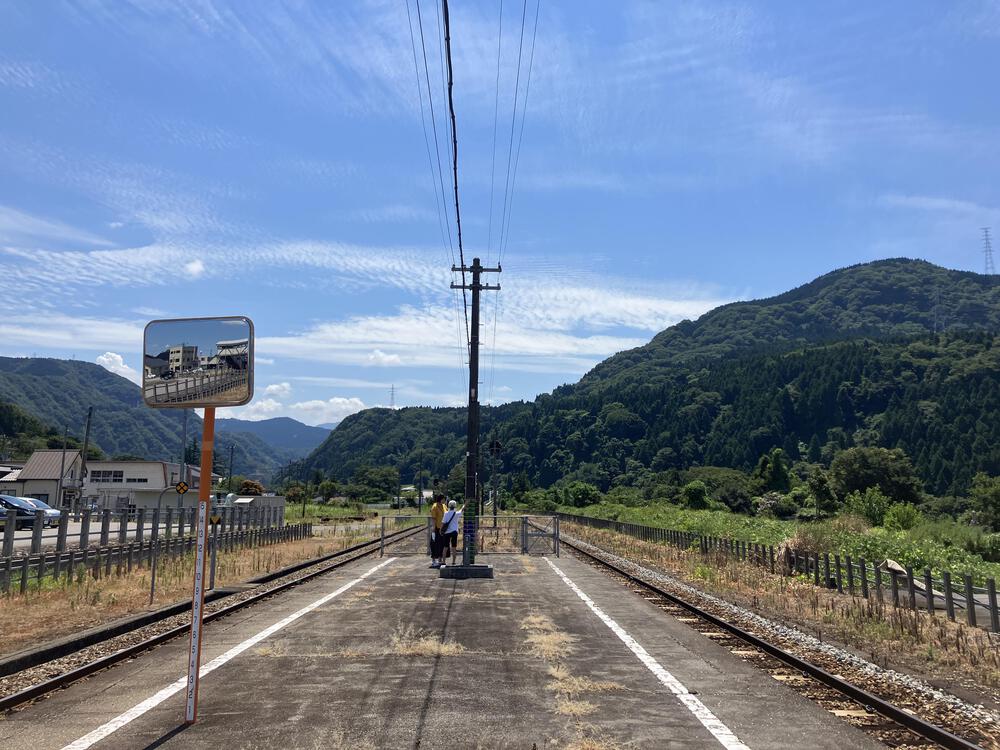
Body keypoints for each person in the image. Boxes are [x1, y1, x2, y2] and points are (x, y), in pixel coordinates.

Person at [441, 499, 464, 566]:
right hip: (454, 532)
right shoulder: (456, 513)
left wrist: (441, 530)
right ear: (455, 506)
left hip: (447, 532)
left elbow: (443, 523)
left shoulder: (446, 513)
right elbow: (462, 509)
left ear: (448, 506)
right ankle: (453, 562)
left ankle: (443, 561)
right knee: (454, 547)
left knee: (445, 547)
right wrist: (464, 504)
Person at [429, 494, 447, 568]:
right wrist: (433, 528)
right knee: (434, 544)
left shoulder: (444, 506)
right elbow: (433, 518)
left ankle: (440, 560)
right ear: (440, 499)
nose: (444, 500)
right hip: (437, 528)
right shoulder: (435, 506)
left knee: (442, 545)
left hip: (443, 529)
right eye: (443, 499)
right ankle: (433, 560)